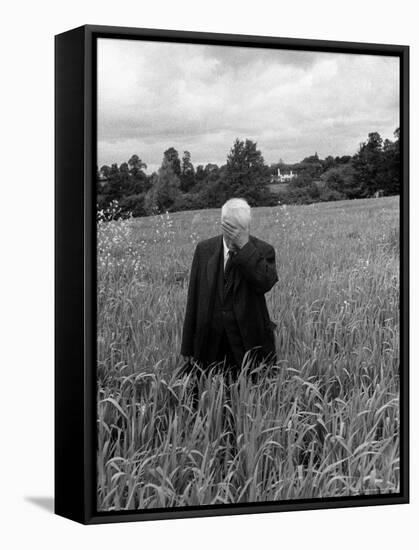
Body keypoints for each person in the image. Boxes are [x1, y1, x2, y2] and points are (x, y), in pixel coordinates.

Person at [181, 197, 278, 380]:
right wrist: (187, 346)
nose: (235, 236)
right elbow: (193, 299)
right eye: (231, 230)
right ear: (223, 225)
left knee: (250, 394)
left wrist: (244, 247)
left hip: (248, 343)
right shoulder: (204, 250)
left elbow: (266, 281)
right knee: (208, 395)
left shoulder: (263, 250)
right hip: (210, 342)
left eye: (241, 230)